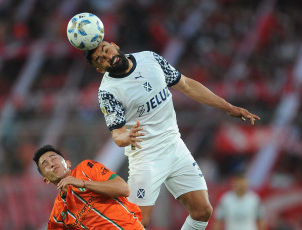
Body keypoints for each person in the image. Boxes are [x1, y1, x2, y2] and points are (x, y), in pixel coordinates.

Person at [83, 41, 260, 229]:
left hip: (174, 146)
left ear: (114, 45)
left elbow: (186, 85)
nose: (108, 57)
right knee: (137, 223)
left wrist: (228, 107)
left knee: (202, 211)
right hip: (146, 156)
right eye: (100, 60)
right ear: (100, 69)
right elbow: (117, 134)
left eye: (106, 50)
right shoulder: (108, 91)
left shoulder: (150, 58)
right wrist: (125, 138)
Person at [32, 144, 144, 230]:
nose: (51, 163)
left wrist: (83, 183)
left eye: (53, 158)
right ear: (46, 180)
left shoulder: (86, 168)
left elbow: (124, 189)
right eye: (45, 164)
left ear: (68, 163)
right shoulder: (58, 214)